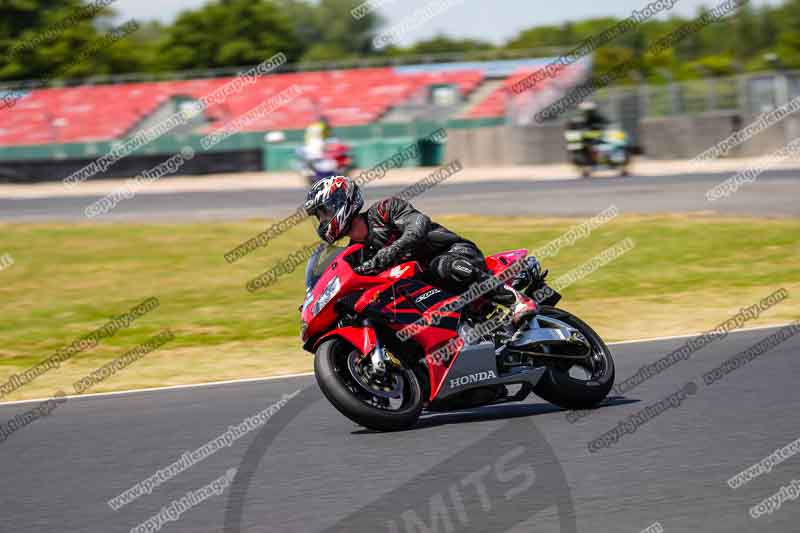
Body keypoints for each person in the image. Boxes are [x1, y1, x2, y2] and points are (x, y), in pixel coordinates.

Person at [303, 175, 538, 326]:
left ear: (341, 202)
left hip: (452, 252)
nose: (323, 221)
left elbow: (419, 226)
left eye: (324, 212)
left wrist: (390, 252)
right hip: (422, 285)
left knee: (443, 267)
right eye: (319, 217)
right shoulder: (357, 252)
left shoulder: (385, 210)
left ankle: (516, 300)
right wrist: (315, 297)